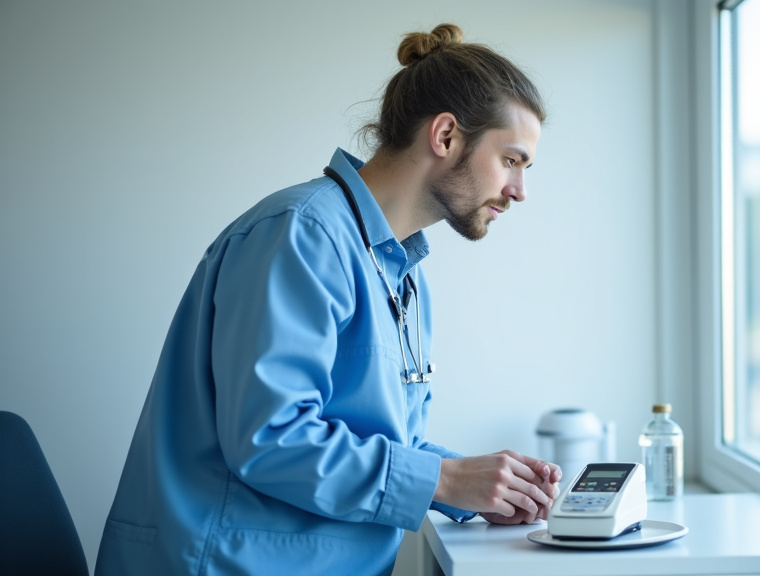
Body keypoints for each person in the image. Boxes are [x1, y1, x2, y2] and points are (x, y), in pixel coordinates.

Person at [95, 23, 560, 576]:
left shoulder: (400, 270)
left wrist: (482, 484)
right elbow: (271, 437)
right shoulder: (300, 235)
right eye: (512, 160)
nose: (519, 191)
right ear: (445, 135)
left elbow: (374, 443)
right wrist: (446, 480)